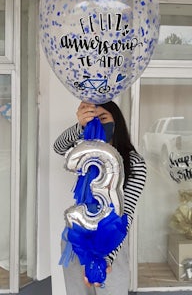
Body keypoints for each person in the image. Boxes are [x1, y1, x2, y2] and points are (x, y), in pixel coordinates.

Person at [53, 101, 146, 295]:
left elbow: (125, 213)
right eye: (93, 120)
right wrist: (81, 125)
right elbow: (59, 146)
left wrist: (105, 258)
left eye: (103, 118)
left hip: (111, 242)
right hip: (77, 238)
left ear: (117, 122)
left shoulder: (134, 162)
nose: (99, 124)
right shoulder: (86, 153)